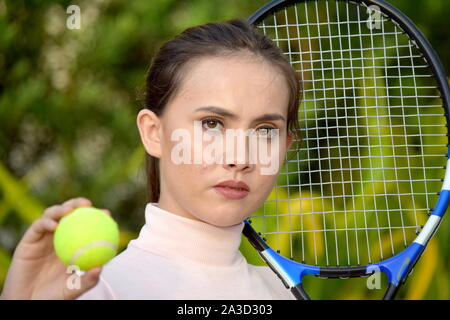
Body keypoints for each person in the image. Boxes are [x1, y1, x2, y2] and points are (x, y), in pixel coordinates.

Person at [0, 19, 301, 300]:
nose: (240, 158)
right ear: (154, 133)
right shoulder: (97, 291)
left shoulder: (281, 291)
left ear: (285, 146)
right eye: (212, 123)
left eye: (265, 131)